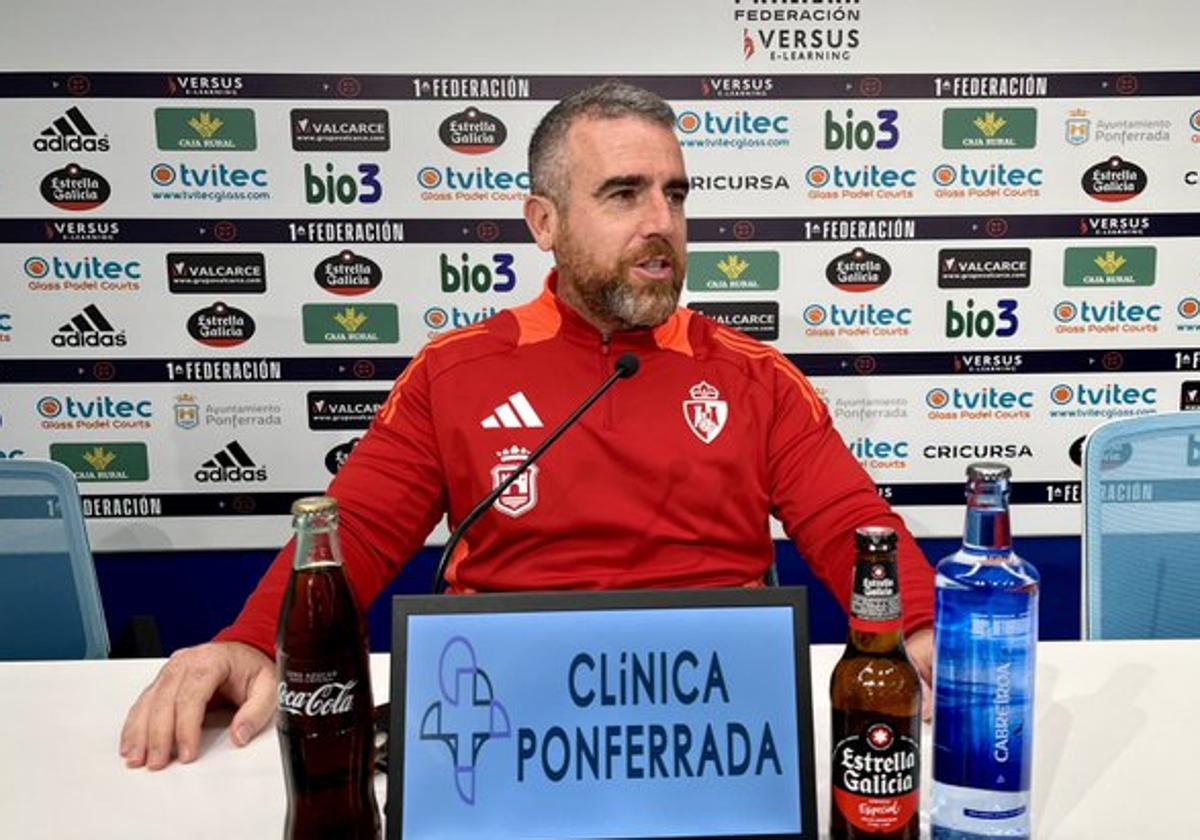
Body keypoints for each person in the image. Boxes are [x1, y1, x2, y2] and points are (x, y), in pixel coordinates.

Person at [120, 81, 935, 771]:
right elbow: (357, 531)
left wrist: (926, 626)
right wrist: (254, 642)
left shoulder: (755, 376)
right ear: (543, 222)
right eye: (624, 193)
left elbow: (847, 524)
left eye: (674, 194)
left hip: (711, 728)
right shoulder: (457, 370)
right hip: (508, 731)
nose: (662, 221)